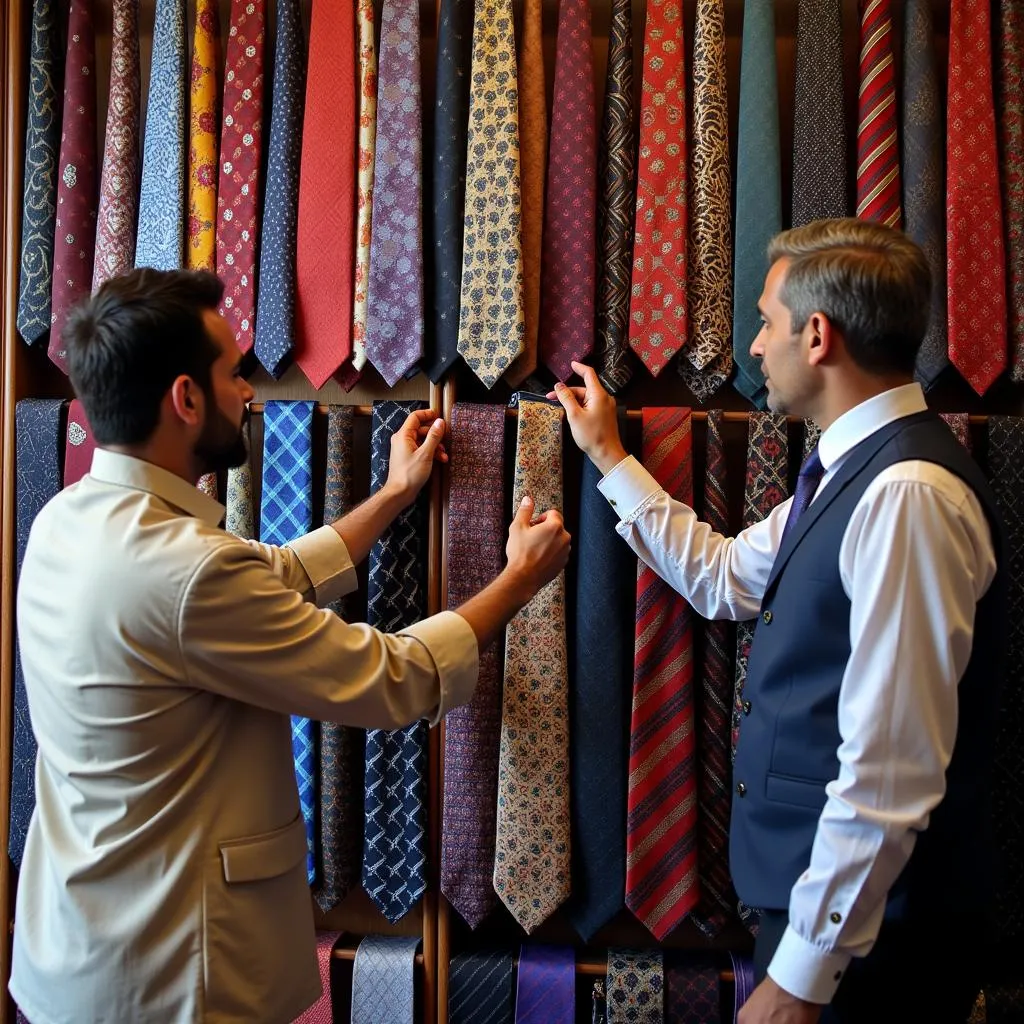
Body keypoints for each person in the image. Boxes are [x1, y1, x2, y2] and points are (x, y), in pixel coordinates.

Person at [10, 268, 571, 1024]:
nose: (249, 394)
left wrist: (394, 495)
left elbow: (269, 578)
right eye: (234, 374)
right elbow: (388, 680)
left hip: (84, 951)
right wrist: (518, 580)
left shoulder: (67, 520)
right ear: (185, 399)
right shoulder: (185, 571)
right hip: (173, 976)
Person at [552, 218, 1007, 1024]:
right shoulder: (849, 469)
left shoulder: (908, 498)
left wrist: (802, 975)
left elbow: (890, 764)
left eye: (766, 322)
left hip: (869, 955)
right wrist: (610, 458)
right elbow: (725, 575)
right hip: (832, 930)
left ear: (819, 335)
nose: (756, 349)